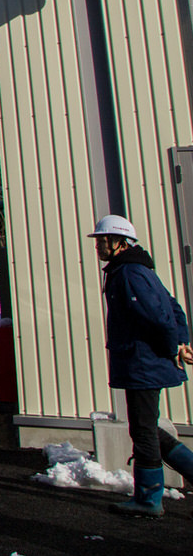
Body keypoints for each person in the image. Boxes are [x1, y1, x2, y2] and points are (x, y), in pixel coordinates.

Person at [88, 214, 193, 516]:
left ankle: (149, 500)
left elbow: (158, 317)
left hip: (143, 363)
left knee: (144, 432)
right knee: (146, 427)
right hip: (145, 361)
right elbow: (172, 306)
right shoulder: (137, 269)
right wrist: (181, 341)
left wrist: (173, 345)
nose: (98, 247)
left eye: (102, 241)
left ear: (119, 242)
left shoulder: (129, 273)